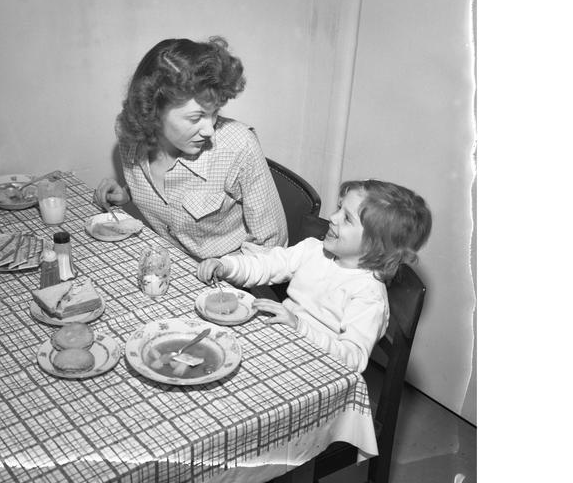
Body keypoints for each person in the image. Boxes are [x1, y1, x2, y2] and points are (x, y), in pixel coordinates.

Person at [196, 179, 432, 373]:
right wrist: (226, 266)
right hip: (280, 346)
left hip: (315, 371)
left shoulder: (368, 296)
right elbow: (267, 264)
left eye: (347, 218)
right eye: (339, 207)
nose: (334, 217)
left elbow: (353, 359)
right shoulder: (314, 249)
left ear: (376, 245)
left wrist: (298, 326)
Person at [93, 36, 287, 260]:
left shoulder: (238, 145)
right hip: (169, 261)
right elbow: (170, 202)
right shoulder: (129, 134)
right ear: (154, 113)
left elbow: (273, 250)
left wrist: (229, 271)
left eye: (214, 113)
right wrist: (127, 196)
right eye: (196, 118)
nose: (209, 130)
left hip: (231, 278)